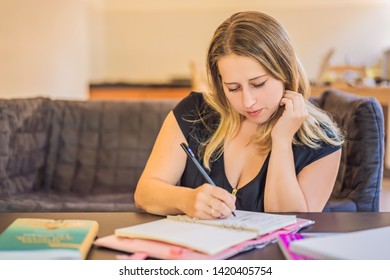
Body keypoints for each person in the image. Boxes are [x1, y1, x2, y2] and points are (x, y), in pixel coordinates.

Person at [134, 11, 343, 219]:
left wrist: (281, 142)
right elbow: (145, 193)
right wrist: (187, 200)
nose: (247, 102)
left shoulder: (321, 141)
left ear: (286, 73)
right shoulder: (194, 112)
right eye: (233, 88)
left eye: (258, 84)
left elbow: (290, 221)